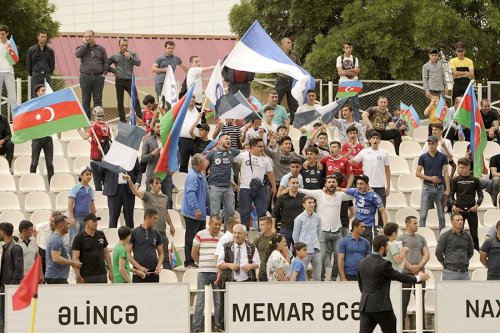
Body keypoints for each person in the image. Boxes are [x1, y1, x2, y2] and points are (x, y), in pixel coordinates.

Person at [357, 235, 429, 333]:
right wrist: (419, 278)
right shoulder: (384, 264)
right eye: (387, 246)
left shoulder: (362, 262)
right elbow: (400, 277)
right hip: (381, 307)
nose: (388, 248)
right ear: (382, 248)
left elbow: (361, 285)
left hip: (365, 306)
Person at [298, 176, 353, 281]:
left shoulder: (340, 195)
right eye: (329, 182)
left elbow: (354, 194)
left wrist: (342, 189)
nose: (331, 184)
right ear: (325, 184)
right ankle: (321, 278)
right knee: (321, 257)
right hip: (323, 231)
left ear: (337, 184)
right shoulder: (319, 194)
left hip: (337, 231)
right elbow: (305, 191)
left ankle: (333, 278)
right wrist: (292, 188)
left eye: (334, 182)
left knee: (339, 257)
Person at [124, 174, 175, 269]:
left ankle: (169, 279)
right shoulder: (147, 195)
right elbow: (135, 191)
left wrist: (171, 225)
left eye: (160, 183)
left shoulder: (165, 197)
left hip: (161, 231)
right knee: (147, 257)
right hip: (149, 231)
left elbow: (166, 212)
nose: (159, 185)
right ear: (151, 185)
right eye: (156, 183)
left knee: (165, 257)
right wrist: (130, 180)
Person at [234, 138, 276, 229]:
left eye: (263, 146)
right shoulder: (244, 155)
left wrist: (274, 186)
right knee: (245, 213)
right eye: (259, 146)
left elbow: (270, 173)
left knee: (262, 212)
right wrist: (241, 150)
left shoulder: (265, 159)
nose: (262, 148)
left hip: (259, 188)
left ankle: (262, 233)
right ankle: (244, 234)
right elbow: (231, 157)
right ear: (252, 147)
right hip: (245, 188)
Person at [191, 215, 224, 333]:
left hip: (217, 273)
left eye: (219, 224)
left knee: (219, 301)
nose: (217, 227)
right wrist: (203, 264)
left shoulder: (223, 236)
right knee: (200, 301)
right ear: (209, 223)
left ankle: (218, 327)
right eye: (215, 224)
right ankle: (196, 328)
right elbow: (193, 253)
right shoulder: (200, 234)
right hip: (203, 272)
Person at [352, 131, 391, 227]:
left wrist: (388, 186)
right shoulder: (364, 152)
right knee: (367, 210)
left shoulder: (384, 153)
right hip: (367, 187)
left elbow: (387, 169)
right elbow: (352, 162)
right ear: (369, 140)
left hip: (380, 186)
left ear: (379, 140)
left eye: (377, 138)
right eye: (373, 138)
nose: (375, 140)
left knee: (381, 210)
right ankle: (365, 229)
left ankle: (381, 230)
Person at [397, 216, 429, 328]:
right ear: (408, 224)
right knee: (403, 301)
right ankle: (401, 327)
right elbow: (399, 256)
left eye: (417, 223)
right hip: (405, 274)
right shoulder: (400, 238)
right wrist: (411, 267)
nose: (417, 225)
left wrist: (419, 266)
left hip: (420, 274)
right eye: (414, 223)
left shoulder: (421, 238)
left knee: (421, 301)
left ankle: (422, 327)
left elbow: (426, 254)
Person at [181, 153, 210, 267]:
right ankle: (189, 261)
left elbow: (205, 193)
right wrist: (196, 209)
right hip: (193, 213)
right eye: (203, 161)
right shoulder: (192, 176)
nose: (205, 163)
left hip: (200, 213)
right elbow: (190, 193)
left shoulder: (200, 174)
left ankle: (198, 259)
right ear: (198, 164)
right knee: (191, 237)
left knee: (199, 238)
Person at [416, 135, 450, 231]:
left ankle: (442, 236)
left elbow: (446, 173)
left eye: (432, 144)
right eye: (429, 144)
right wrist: (430, 178)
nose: (430, 146)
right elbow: (417, 173)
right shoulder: (423, 157)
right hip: (427, 186)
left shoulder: (442, 157)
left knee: (441, 215)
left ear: (436, 144)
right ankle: (422, 235)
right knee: (423, 214)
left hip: (439, 187)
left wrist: (448, 188)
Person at [343, 175, 388, 245]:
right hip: (356, 227)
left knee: (367, 249)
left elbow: (383, 211)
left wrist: (385, 226)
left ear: (367, 185)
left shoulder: (374, 196)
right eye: (357, 184)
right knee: (354, 247)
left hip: (368, 228)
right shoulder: (355, 191)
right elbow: (341, 189)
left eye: (361, 184)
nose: (359, 186)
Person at [450, 158, 483, 250]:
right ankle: (458, 251)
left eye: (463, 167)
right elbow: (450, 195)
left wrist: (477, 205)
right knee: (458, 233)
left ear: (469, 167)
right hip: (459, 210)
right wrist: (453, 206)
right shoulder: (455, 180)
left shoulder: (475, 180)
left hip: (471, 209)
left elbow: (481, 195)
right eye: (460, 168)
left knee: (474, 234)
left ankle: (476, 253)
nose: (461, 170)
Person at [75, 30, 109, 118]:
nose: (88, 38)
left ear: (94, 37)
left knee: (98, 99)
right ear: (84, 38)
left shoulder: (101, 48)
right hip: (85, 77)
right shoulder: (81, 47)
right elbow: (77, 55)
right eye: (86, 37)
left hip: (98, 77)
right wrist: (85, 45)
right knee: (86, 99)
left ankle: (98, 121)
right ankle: (87, 122)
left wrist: (104, 74)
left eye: (90, 36)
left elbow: (106, 61)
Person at [206, 133, 240, 224]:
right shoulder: (212, 153)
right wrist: (204, 184)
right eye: (226, 139)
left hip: (228, 187)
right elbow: (203, 168)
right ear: (220, 141)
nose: (229, 140)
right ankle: (213, 235)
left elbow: (245, 151)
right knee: (215, 214)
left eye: (230, 139)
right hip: (214, 187)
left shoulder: (232, 152)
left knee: (231, 213)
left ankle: (227, 234)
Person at [78, 106, 112, 191]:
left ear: (94, 115)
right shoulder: (107, 126)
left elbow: (85, 137)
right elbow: (108, 139)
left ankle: (99, 198)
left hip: (95, 157)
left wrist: (78, 129)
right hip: (104, 157)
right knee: (105, 180)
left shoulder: (95, 126)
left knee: (97, 181)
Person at [108, 38, 142, 122]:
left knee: (135, 99)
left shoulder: (132, 54)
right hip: (119, 80)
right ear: (119, 45)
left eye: (126, 45)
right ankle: (123, 120)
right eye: (122, 45)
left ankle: (140, 119)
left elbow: (138, 63)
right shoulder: (115, 56)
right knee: (120, 102)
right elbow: (106, 64)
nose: (124, 47)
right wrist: (113, 70)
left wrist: (130, 57)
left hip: (130, 80)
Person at [72, 213, 113, 283]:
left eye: (96, 221)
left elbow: (106, 253)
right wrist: (78, 276)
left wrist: (111, 270)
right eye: (94, 221)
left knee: (103, 294)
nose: (96, 223)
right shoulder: (79, 238)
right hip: (86, 275)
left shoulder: (101, 234)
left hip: (101, 274)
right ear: (86, 223)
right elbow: (75, 258)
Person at [141, 120, 173, 208]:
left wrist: (173, 168)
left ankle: (168, 220)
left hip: (166, 174)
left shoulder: (168, 140)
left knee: (169, 200)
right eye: (158, 127)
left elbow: (176, 155)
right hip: (152, 174)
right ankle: (148, 220)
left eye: (161, 127)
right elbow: (143, 158)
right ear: (154, 128)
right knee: (149, 200)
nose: (159, 129)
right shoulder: (148, 141)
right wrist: (152, 154)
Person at [127, 208, 164, 283]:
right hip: (138, 273)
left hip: (153, 272)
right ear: (147, 218)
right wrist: (139, 267)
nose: (156, 221)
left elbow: (161, 254)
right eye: (154, 218)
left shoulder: (157, 233)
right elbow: (127, 253)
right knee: (139, 294)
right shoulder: (133, 233)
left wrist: (159, 266)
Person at [102, 160, 141, 228]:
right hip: (114, 191)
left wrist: (137, 183)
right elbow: (101, 170)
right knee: (113, 219)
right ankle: (112, 237)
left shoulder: (132, 154)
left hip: (129, 190)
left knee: (129, 219)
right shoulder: (111, 155)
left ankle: (130, 238)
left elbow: (138, 172)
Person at [436, 213, 474, 280]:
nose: (460, 222)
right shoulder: (445, 236)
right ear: (452, 222)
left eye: (461, 220)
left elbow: (471, 252)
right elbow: (438, 252)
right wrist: (445, 262)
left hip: (464, 272)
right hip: (450, 272)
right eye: (457, 220)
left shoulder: (467, 236)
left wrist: (464, 260)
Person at [45, 215, 82, 284]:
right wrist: (73, 263)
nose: (69, 226)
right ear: (61, 225)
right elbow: (56, 258)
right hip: (56, 278)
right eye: (67, 224)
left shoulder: (58, 238)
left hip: (58, 277)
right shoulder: (56, 239)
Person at [292, 196, 322, 281]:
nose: (312, 204)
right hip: (304, 251)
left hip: (316, 249)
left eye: (313, 202)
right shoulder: (299, 218)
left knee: (318, 277)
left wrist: (316, 242)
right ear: (304, 205)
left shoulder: (317, 217)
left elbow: (319, 233)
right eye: (309, 202)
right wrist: (300, 249)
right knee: (302, 276)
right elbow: (295, 235)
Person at [30, 84, 55, 182]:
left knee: (49, 163)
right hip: (36, 137)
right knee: (34, 162)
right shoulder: (32, 105)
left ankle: (51, 184)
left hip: (48, 137)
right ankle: (31, 182)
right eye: (42, 90)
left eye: (45, 90)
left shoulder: (50, 105)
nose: (44, 92)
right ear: (37, 93)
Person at [0, 222, 23, 325]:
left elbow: (19, 270)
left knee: (7, 319)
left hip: (10, 288)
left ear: (2, 232)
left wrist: (11, 287)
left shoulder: (15, 247)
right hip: (5, 287)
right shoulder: (6, 247)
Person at [68, 166, 96, 248]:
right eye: (87, 174)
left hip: (86, 219)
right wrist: (71, 217)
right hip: (76, 217)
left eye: (90, 174)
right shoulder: (75, 188)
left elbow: (92, 204)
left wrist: (93, 217)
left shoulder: (90, 189)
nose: (89, 176)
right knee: (74, 239)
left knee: (84, 240)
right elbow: (70, 203)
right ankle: (71, 259)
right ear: (81, 176)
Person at [273, 175, 305, 246]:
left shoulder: (302, 197)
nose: (295, 185)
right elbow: (274, 213)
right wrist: (273, 227)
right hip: (286, 229)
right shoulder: (282, 198)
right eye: (293, 183)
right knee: (284, 251)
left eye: (297, 183)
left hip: (299, 229)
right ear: (288, 184)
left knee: (298, 253)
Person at [275, 38, 300, 122]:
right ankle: (274, 122)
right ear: (283, 45)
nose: (290, 44)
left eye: (291, 43)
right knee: (275, 102)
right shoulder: (278, 53)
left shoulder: (294, 53)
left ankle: (294, 124)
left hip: (292, 82)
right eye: (288, 43)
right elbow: (273, 66)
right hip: (281, 81)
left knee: (294, 105)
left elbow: (299, 66)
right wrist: (278, 75)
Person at [336, 41, 361, 121]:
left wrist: (345, 71)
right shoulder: (340, 58)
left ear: (352, 48)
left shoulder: (355, 59)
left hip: (354, 83)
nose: (348, 49)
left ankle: (357, 122)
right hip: (344, 84)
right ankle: (343, 122)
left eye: (350, 47)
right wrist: (352, 70)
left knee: (355, 104)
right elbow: (340, 73)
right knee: (343, 104)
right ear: (344, 49)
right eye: (346, 48)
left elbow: (357, 71)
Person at [26, 30, 55, 98]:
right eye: (42, 36)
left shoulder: (50, 51)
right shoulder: (31, 50)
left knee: (48, 94)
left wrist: (48, 72)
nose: (43, 38)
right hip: (36, 74)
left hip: (46, 74)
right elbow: (28, 64)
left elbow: (52, 65)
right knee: (35, 94)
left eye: (45, 36)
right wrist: (33, 73)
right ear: (38, 37)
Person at [178, 95, 200, 172]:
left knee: (197, 162)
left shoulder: (200, 110)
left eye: (194, 97)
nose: (192, 99)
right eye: (190, 97)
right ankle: (182, 181)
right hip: (184, 140)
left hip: (196, 140)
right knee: (183, 162)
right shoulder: (181, 110)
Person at [253, 217, 276, 282]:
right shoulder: (257, 240)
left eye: (262, 225)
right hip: (262, 272)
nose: (260, 227)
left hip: (274, 271)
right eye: (259, 225)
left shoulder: (277, 238)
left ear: (269, 225)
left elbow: (285, 254)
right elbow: (253, 255)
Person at [0, 25, 17, 112]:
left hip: (9, 72)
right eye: (0, 34)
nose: (1, 36)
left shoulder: (11, 44)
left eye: (3, 34)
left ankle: (16, 121)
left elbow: (15, 59)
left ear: (7, 34)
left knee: (12, 97)